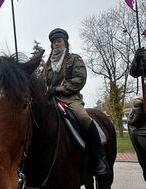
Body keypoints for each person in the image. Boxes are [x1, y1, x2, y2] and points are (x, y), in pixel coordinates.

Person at [42, 28, 110, 176]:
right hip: (50, 98)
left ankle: (100, 157)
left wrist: (58, 89)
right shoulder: (47, 65)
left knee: (83, 118)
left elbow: (79, 80)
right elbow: (43, 82)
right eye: (54, 42)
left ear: (65, 42)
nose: (56, 44)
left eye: (59, 41)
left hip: (70, 98)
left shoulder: (74, 59)